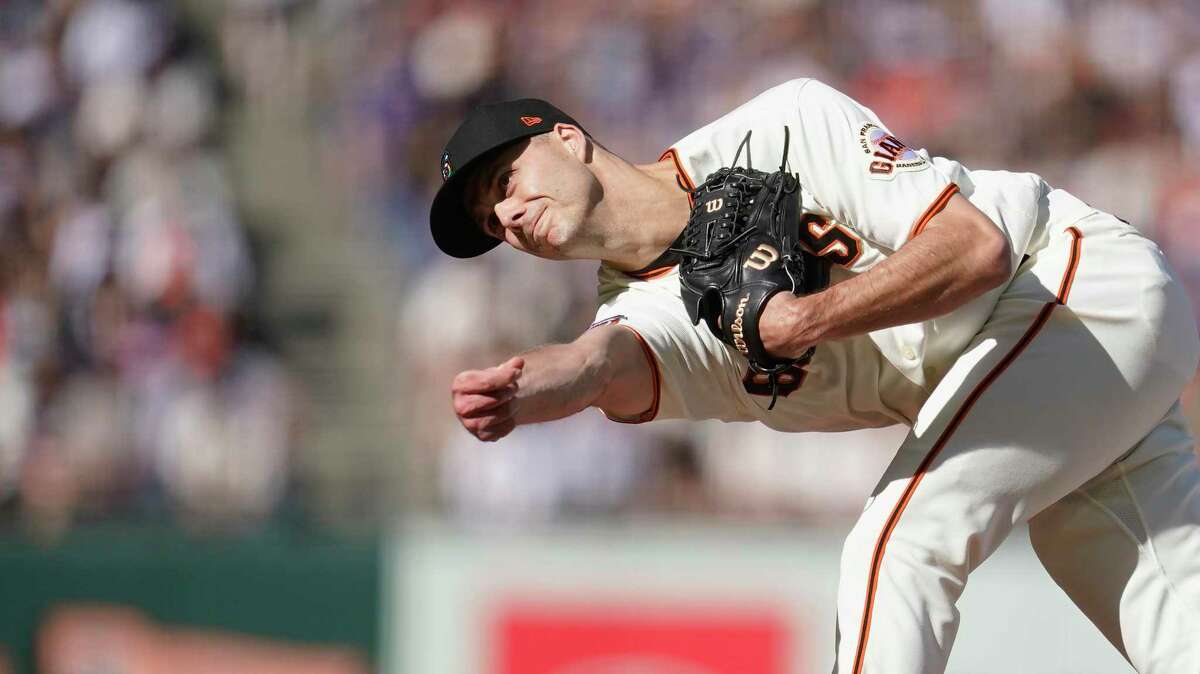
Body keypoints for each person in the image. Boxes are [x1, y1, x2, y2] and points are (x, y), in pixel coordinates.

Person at [429, 80, 1200, 673]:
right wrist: (534, 388)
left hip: (1068, 284)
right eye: (490, 221)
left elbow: (977, 250)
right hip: (1048, 388)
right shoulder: (644, 308)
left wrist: (801, 322)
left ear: (567, 138)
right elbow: (604, 362)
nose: (506, 215)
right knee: (1177, 628)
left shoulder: (781, 125)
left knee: (896, 546)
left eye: (504, 180)